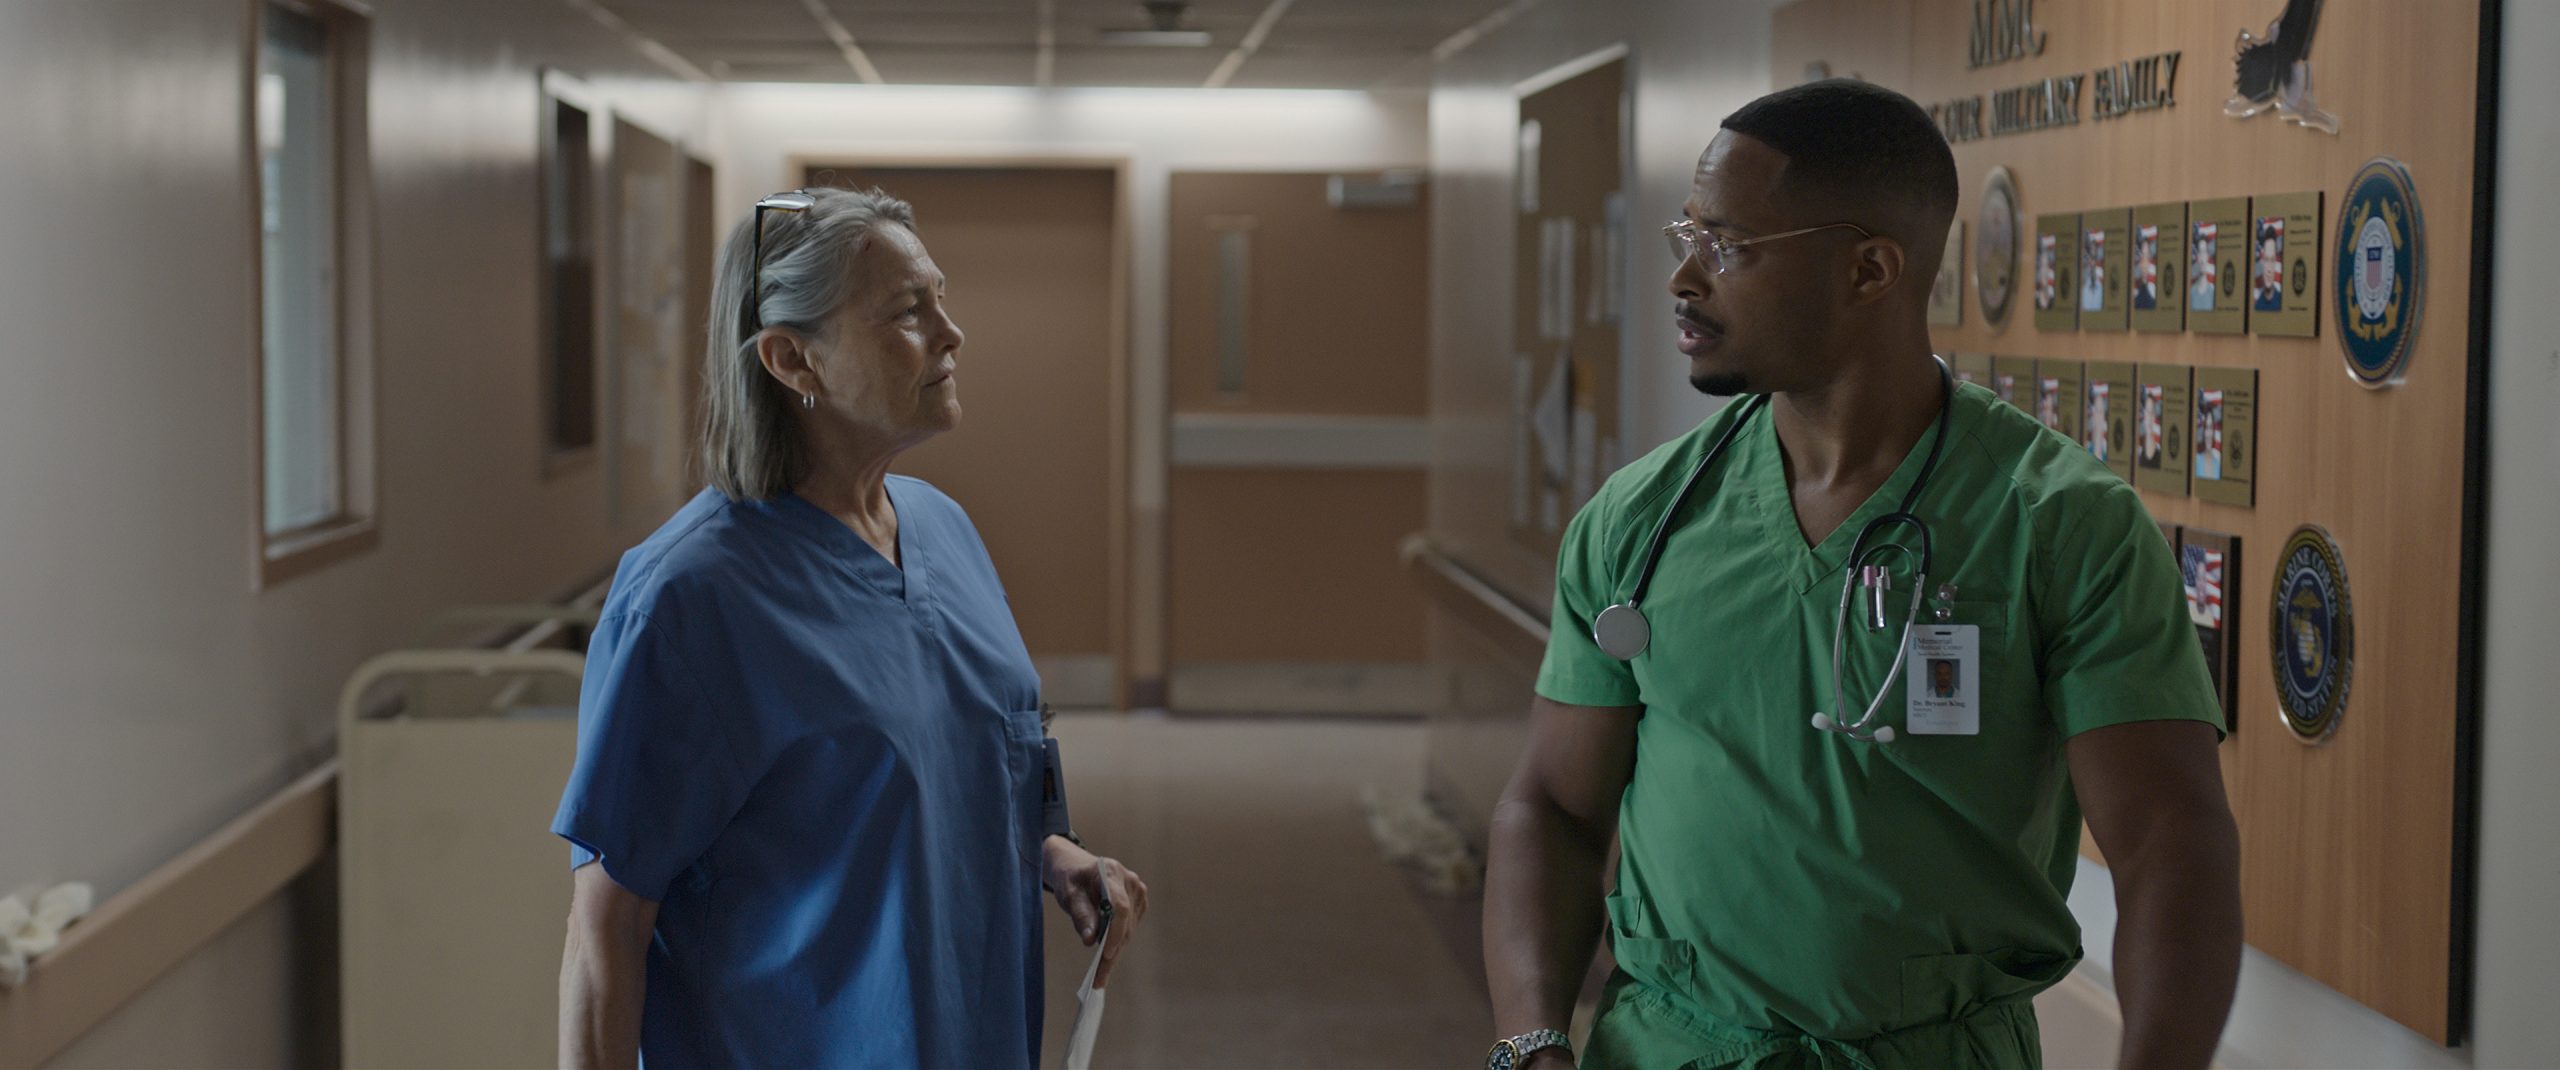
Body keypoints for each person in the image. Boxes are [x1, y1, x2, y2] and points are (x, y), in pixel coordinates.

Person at [1481, 81, 2239, 1070]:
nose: (1681, 278)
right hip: (1670, 1047)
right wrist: (1533, 1036)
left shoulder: (2060, 523)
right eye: (1687, 234)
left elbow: (2165, 846)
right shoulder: (1639, 520)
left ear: (1869, 269)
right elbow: (1553, 804)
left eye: (1726, 245)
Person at [553, 186, 1148, 1069]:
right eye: (908, 312)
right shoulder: (693, 598)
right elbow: (608, 927)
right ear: (795, 359)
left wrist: (1049, 851)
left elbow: (949, 768)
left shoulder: (942, 529)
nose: (951, 333)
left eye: (940, 298)